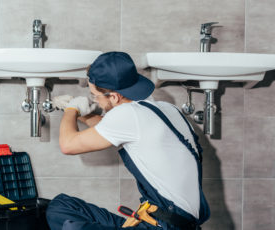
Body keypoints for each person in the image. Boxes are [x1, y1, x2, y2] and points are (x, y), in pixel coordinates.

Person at [46, 52, 210, 230]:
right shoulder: (166, 108)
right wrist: (82, 113)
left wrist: (72, 109)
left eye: (95, 95)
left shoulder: (128, 115)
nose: (95, 100)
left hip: (165, 227)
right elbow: (108, 130)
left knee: (72, 228)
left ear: (114, 96)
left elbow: (68, 145)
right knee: (60, 207)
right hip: (165, 221)